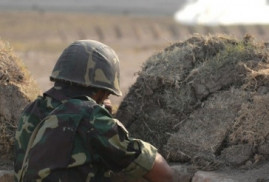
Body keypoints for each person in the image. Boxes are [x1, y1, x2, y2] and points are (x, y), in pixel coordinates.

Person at [14, 40, 175, 182]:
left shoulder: (31, 111)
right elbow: (163, 174)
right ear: (100, 91)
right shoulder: (91, 118)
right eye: (107, 93)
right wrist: (107, 121)